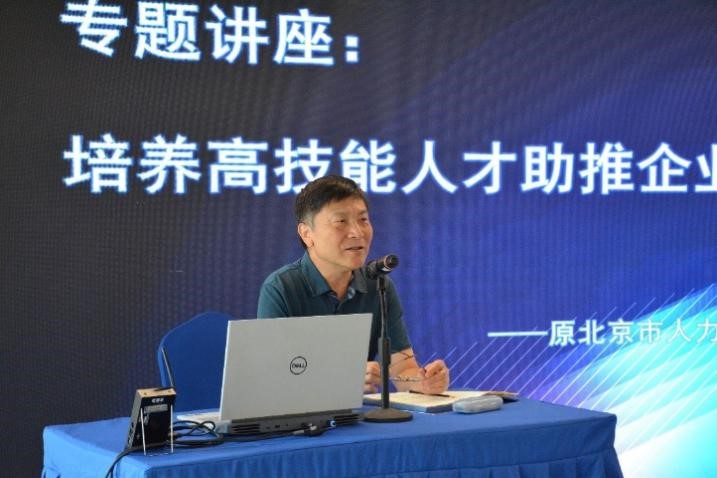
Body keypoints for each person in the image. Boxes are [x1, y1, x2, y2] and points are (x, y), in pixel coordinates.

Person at [257, 175, 449, 395]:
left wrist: (423, 382)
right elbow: (273, 379)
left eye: (363, 220)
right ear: (307, 234)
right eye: (341, 222)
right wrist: (339, 381)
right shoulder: (281, 288)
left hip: (359, 414)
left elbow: (402, 369)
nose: (357, 232)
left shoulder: (378, 285)